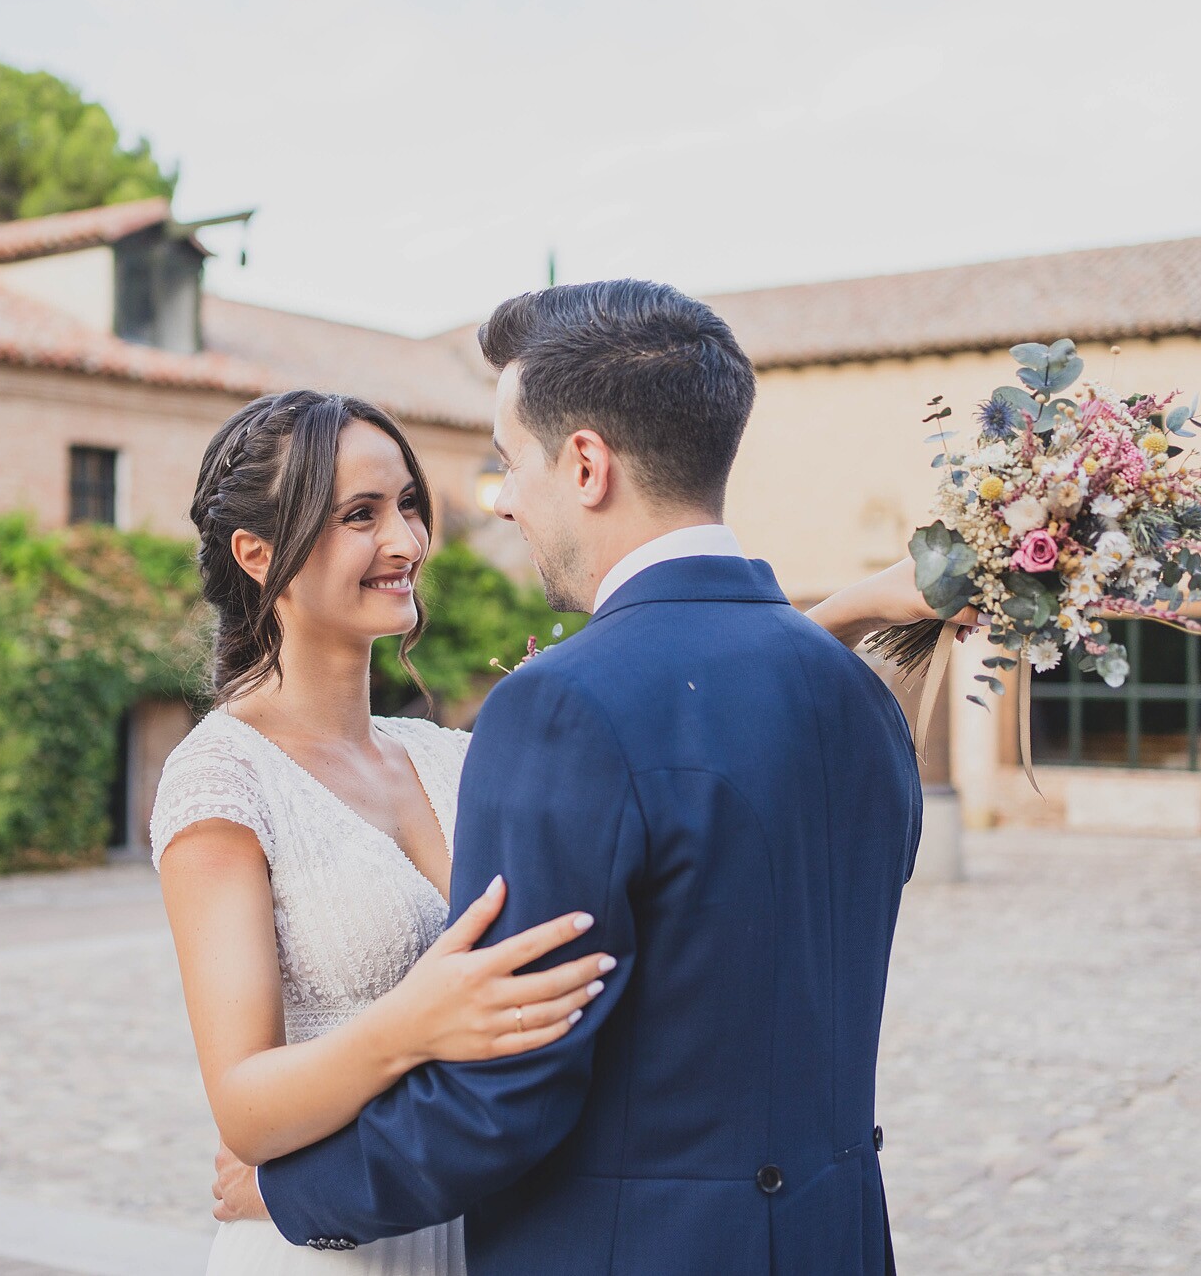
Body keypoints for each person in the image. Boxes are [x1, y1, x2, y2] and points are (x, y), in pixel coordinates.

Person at [157, 283, 971, 1275]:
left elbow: (660, 737)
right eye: (360, 515)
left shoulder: (468, 746)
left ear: (585, 464)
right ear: (257, 555)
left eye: (412, 502)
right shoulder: (851, 701)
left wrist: (296, 1190)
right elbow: (682, 736)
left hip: (463, 1211)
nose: (413, 536)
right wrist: (403, 1030)